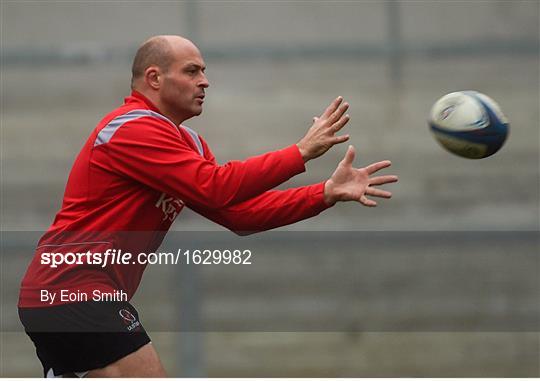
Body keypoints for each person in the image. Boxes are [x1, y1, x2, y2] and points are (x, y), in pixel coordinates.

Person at [18, 35, 398, 377]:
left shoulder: (188, 144)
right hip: (72, 290)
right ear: (154, 78)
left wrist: (324, 193)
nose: (205, 81)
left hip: (69, 296)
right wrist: (299, 153)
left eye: (204, 71)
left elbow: (239, 214)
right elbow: (215, 187)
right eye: (192, 71)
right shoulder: (131, 128)